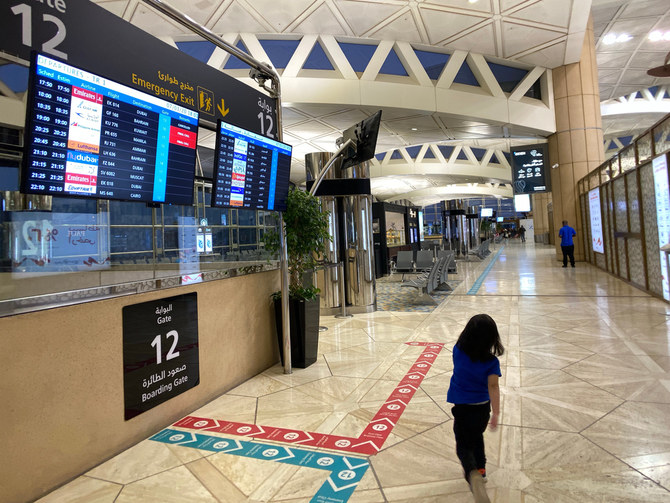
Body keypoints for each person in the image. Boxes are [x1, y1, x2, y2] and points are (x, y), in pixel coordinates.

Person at [447, 314, 504, 503]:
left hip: (462, 407)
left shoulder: (457, 351)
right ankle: (481, 469)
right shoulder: (492, 363)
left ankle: (472, 472)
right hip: (482, 409)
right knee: (477, 437)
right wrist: (496, 413)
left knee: (463, 444)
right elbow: (493, 387)